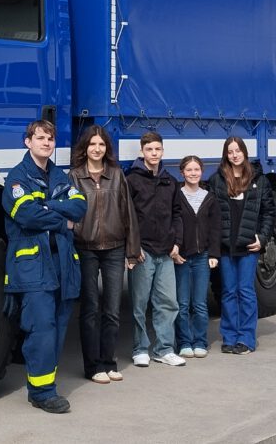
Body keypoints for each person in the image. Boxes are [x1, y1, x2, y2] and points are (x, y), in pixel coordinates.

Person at [1, 120, 88, 413]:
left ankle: (44, 385)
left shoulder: (60, 175)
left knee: (60, 327)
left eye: (50, 138)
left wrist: (47, 206)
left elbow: (80, 206)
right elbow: (26, 215)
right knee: (42, 328)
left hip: (62, 265)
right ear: (28, 142)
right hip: (33, 268)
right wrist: (62, 218)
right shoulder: (16, 178)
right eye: (40, 138)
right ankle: (41, 392)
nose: (46, 143)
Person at [69, 125, 142, 384]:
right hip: (86, 248)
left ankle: (109, 362)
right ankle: (92, 366)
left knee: (111, 310)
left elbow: (128, 213)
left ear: (106, 149)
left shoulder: (117, 174)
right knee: (89, 309)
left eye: (101, 145)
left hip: (114, 248)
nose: (97, 149)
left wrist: (132, 251)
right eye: (92, 144)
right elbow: (69, 212)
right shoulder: (75, 176)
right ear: (85, 148)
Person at [126, 131, 187, 367]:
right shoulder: (131, 180)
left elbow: (177, 214)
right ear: (142, 152)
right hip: (143, 252)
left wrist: (176, 243)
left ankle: (163, 349)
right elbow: (127, 217)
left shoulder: (169, 181)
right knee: (139, 304)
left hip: (166, 252)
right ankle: (140, 348)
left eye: (157, 149)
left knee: (168, 302)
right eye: (149, 149)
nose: (154, 153)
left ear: (162, 151)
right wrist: (133, 248)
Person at [210, 137, 275, 355]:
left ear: (245, 153)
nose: (235, 155)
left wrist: (263, 238)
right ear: (225, 155)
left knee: (245, 291)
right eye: (230, 152)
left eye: (238, 150)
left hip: (248, 247)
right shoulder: (217, 180)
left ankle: (246, 339)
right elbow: (211, 214)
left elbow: (268, 213)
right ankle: (229, 338)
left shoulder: (259, 180)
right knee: (228, 292)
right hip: (227, 247)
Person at [173, 156, 221, 359]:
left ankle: (200, 341)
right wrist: (174, 249)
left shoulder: (209, 197)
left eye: (197, 169)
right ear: (181, 172)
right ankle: (184, 342)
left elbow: (215, 229)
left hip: (202, 257)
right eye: (189, 170)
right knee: (182, 303)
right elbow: (172, 223)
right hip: (182, 257)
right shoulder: (176, 196)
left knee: (200, 303)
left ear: (202, 172)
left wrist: (214, 253)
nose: (193, 173)